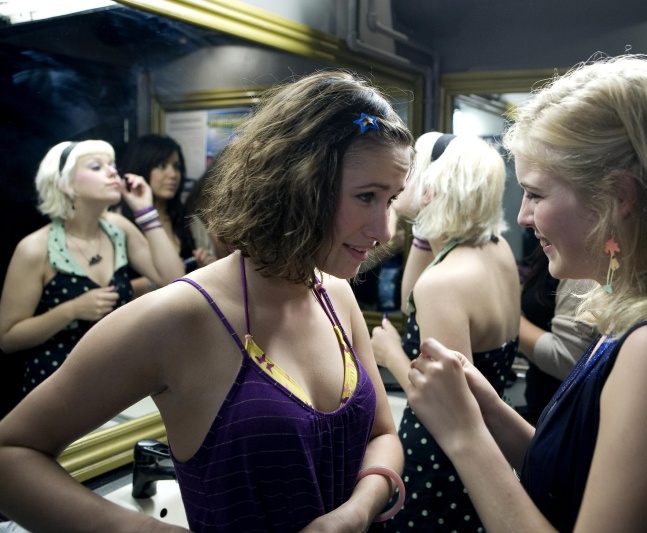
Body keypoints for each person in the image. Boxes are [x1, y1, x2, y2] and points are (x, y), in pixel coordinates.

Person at [0, 70, 414, 532]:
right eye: (366, 197)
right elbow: (11, 453)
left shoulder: (335, 295)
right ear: (298, 183)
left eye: (391, 200)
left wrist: (354, 514)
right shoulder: (179, 317)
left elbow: (381, 434)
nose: (385, 231)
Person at [404, 54, 647, 532]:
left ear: (618, 197)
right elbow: (570, 476)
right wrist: (487, 407)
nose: (523, 217)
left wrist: (464, 436)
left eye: (536, 194)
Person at [371, 132, 520, 532]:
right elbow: (410, 302)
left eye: (412, 166)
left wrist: (389, 353)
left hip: (442, 464)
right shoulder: (495, 248)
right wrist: (427, 222)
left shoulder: (444, 284)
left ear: (431, 188)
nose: (401, 176)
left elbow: (449, 404)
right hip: (488, 448)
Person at [0, 140, 185, 398]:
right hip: (56, 386)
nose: (113, 173)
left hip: (118, 377)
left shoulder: (118, 228)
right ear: (64, 183)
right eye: (97, 167)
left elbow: (176, 280)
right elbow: (7, 338)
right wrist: (71, 310)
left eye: (112, 165)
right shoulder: (35, 248)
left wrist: (146, 211)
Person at [119, 134, 216, 297]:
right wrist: (155, 281)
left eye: (177, 167)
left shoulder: (189, 222)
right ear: (142, 167)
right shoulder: (119, 222)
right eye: (162, 165)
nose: (173, 174)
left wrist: (206, 267)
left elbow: (214, 279)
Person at [519, 243, 597, 423]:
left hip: (568, 414)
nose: (524, 220)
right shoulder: (550, 250)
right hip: (544, 405)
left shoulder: (581, 257)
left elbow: (568, 359)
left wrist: (509, 316)